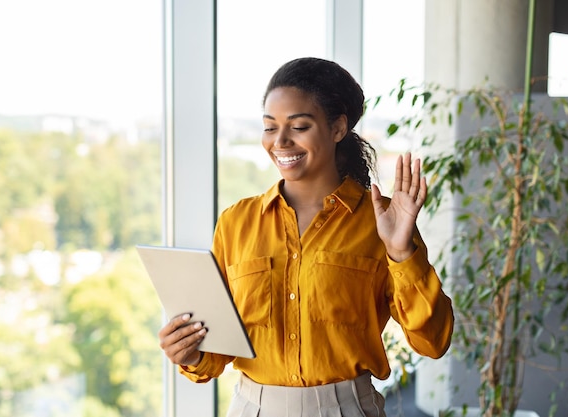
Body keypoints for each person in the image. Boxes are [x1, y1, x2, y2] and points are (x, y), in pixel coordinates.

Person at [158, 57, 454, 417]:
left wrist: (401, 251)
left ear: (338, 128)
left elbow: (433, 342)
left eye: (298, 126)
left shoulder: (383, 222)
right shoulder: (236, 223)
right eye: (269, 127)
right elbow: (217, 351)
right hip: (252, 408)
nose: (280, 141)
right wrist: (190, 353)